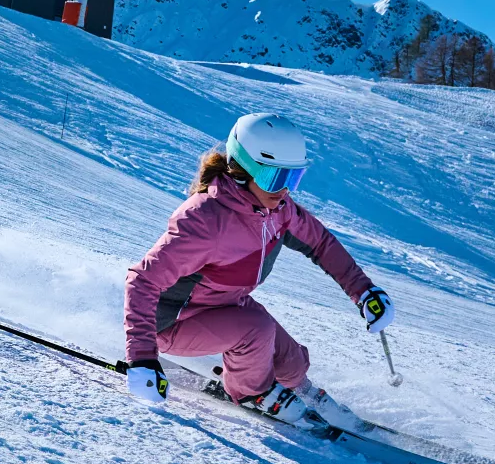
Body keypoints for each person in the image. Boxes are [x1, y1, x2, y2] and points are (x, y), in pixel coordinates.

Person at [122, 113, 394, 422]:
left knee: (290, 362)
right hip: (173, 321)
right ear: (241, 171)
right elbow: (142, 280)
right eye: (273, 178)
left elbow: (321, 243)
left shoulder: (277, 210)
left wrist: (364, 290)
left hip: (223, 305)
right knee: (255, 330)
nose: (284, 190)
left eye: (293, 178)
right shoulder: (205, 220)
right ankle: (252, 393)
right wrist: (142, 358)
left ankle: (304, 392)